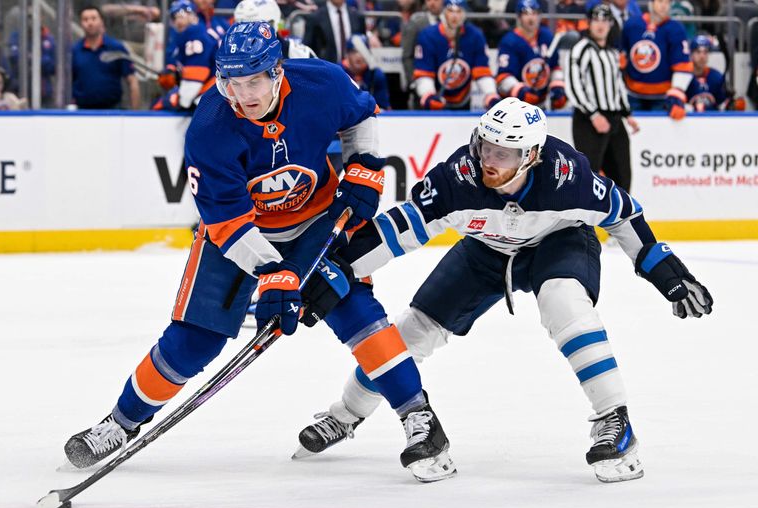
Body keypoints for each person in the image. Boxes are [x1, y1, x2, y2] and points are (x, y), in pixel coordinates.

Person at [62, 21, 455, 484]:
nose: (242, 95)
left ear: (276, 72)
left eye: (253, 81)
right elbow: (226, 223)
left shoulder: (320, 82)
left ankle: (421, 420)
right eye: (231, 81)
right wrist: (273, 272)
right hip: (239, 236)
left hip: (316, 222)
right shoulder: (210, 125)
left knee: (358, 314)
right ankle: (120, 422)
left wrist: (365, 169)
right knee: (193, 341)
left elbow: (361, 116)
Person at [294, 97, 713, 483]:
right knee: (412, 331)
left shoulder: (567, 177)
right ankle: (345, 415)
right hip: (486, 250)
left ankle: (616, 421)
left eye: (503, 153)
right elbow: (398, 229)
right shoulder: (458, 178)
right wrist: (338, 267)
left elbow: (625, 214)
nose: (488, 160)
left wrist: (665, 272)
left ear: (530, 155)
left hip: (559, 242)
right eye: (485, 146)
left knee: (563, 302)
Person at [566, 4, 638, 193]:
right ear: (589, 23)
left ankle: (620, 219)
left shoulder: (612, 53)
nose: (600, 24)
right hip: (588, 120)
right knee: (589, 175)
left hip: (614, 118)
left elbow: (618, 86)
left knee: (623, 175)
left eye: (605, 20)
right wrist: (593, 114)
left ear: (611, 24)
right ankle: (584, 221)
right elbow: (573, 86)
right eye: (596, 20)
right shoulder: (581, 49)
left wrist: (627, 113)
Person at [413, 0, 499, 110]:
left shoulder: (475, 36)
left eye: (459, 11)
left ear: (464, 14)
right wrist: (428, 95)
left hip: (462, 99)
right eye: (450, 11)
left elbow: (482, 71)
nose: (454, 16)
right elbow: (424, 72)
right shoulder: (428, 36)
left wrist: (490, 94)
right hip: (434, 99)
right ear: (443, 12)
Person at [621, 0, 692, 119]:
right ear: (651, 3)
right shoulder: (631, 25)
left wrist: (676, 96)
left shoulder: (676, 29)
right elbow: (621, 57)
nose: (664, 6)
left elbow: (682, 65)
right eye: (660, 1)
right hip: (632, 95)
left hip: (662, 97)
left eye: (667, 3)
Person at [496, 0, 567, 110]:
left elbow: (555, 67)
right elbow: (503, 77)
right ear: (519, 17)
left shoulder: (547, 36)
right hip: (514, 107)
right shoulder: (509, 41)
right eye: (526, 14)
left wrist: (557, 85)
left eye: (534, 13)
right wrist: (519, 90)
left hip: (541, 104)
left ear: (539, 16)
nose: (531, 18)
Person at [153, 0, 218, 111]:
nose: (178, 21)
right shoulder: (182, 36)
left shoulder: (194, 33)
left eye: (182, 15)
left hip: (209, 91)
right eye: (175, 17)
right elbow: (178, 62)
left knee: (159, 106)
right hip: (206, 90)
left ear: (193, 16)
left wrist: (182, 99)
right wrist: (172, 71)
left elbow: (197, 71)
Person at [71, 5, 140, 109]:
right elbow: (67, 83)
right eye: (85, 19)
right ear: (81, 23)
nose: (90, 23)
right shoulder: (75, 51)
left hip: (113, 111)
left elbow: (132, 81)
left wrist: (135, 115)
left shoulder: (116, 48)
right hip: (83, 112)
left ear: (101, 21)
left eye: (94, 19)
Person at [234, 0, 317, 58]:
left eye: (255, 27)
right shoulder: (229, 57)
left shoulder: (301, 55)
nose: (247, 34)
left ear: (272, 24)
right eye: (242, 27)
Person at [685, 35, 743, 112]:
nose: (702, 56)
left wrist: (730, 104)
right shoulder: (683, 77)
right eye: (698, 52)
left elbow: (722, 104)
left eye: (705, 52)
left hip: (713, 121)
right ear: (691, 54)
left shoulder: (716, 77)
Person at [400, 0, 443, 100]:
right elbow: (407, 55)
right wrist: (413, 81)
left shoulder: (450, 22)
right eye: (429, 0)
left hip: (445, 82)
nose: (432, 3)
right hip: (422, 80)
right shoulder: (416, 23)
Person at [342, 34, 391, 110]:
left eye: (363, 51)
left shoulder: (376, 74)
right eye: (354, 51)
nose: (359, 56)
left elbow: (385, 107)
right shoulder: (339, 72)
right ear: (347, 54)